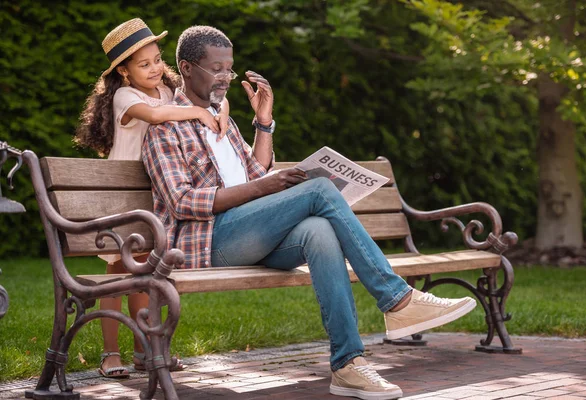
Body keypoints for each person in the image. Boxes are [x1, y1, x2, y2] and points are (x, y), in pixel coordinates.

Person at [141, 25, 477, 400]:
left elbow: (255, 174)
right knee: (318, 190)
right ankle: (397, 300)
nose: (225, 78)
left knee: (319, 229)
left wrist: (263, 122)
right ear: (186, 69)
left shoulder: (224, 120)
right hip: (205, 243)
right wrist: (264, 187)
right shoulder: (165, 127)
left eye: (229, 69)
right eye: (215, 69)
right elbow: (182, 201)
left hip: (247, 234)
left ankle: (348, 365)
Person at [74, 18, 231, 379]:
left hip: (154, 193)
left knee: (146, 272)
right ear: (125, 73)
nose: (155, 68)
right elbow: (159, 116)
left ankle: (146, 350)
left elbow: (208, 99)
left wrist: (217, 110)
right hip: (121, 197)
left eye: (158, 59)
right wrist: (197, 112)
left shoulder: (166, 90)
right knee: (117, 271)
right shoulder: (125, 97)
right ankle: (110, 353)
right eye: (144, 64)